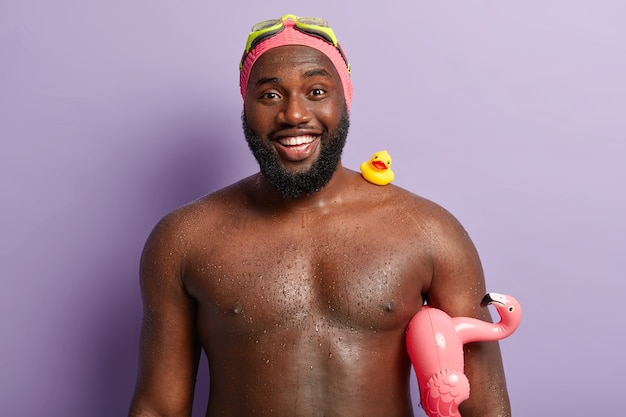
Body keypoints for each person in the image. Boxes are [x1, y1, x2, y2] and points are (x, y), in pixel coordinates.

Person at [128, 14, 511, 417]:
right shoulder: (184, 239)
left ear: (343, 100)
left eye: (315, 90)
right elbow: (158, 407)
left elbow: (485, 409)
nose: (294, 114)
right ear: (246, 108)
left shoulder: (428, 232)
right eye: (271, 95)